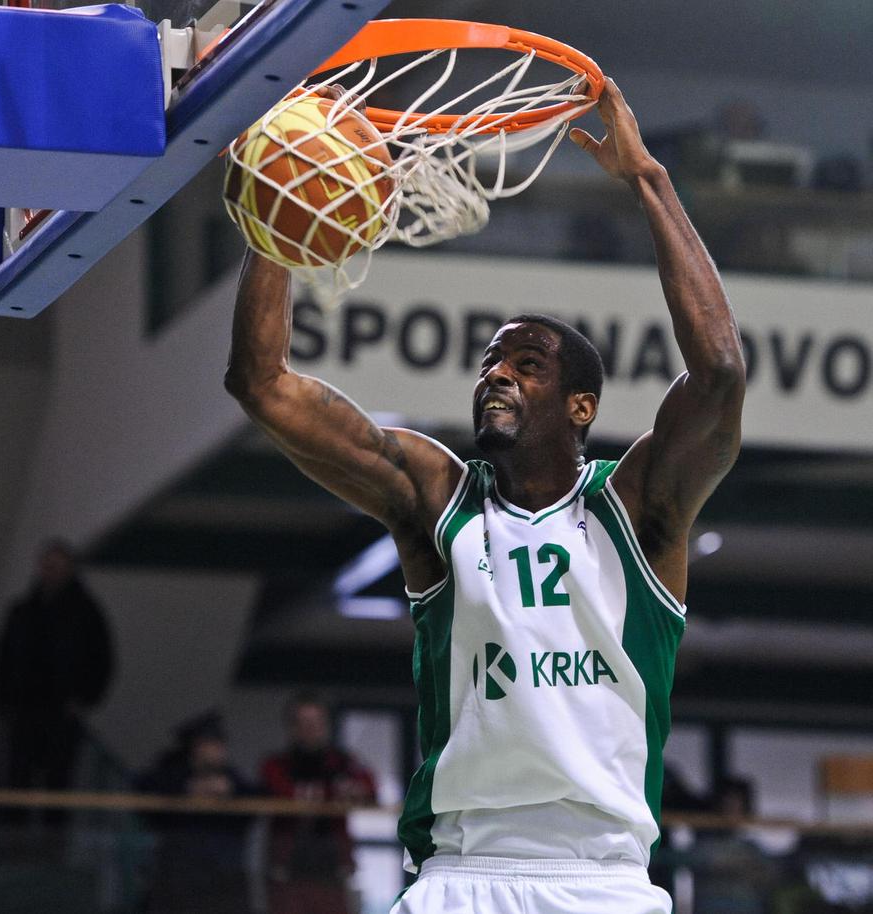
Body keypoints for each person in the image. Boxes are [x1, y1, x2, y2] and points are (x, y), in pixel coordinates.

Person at [224, 79, 745, 914]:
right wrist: (277, 216)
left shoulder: (637, 508)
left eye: (526, 365)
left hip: (601, 880)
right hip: (460, 872)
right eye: (489, 363)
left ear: (580, 407)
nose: (496, 374)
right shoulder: (436, 498)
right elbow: (262, 385)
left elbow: (717, 373)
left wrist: (647, 179)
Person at [0, 538, 115, 793]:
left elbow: (101, 660)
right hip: (24, 709)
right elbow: (5, 660)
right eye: (47, 566)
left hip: (63, 711)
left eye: (58, 566)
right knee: (17, 781)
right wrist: (5, 702)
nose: (52, 572)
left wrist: (84, 699)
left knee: (58, 783)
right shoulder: (23, 611)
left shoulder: (86, 614)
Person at [261, 693, 376, 914]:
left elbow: (369, 787)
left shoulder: (342, 762)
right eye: (303, 723)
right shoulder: (278, 764)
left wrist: (347, 791)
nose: (310, 729)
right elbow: (278, 788)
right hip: (289, 868)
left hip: (333, 869)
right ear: (292, 727)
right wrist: (331, 792)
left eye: (316, 723)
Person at [137, 711, 256, 914]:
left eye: (220, 744)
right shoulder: (173, 774)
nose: (218, 750)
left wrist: (229, 791)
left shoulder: (230, 777)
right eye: (211, 744)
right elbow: (144, 788)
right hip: (179, 878)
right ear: (197, 747)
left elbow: (256, 797)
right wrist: (190, 788)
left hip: (222, 878)